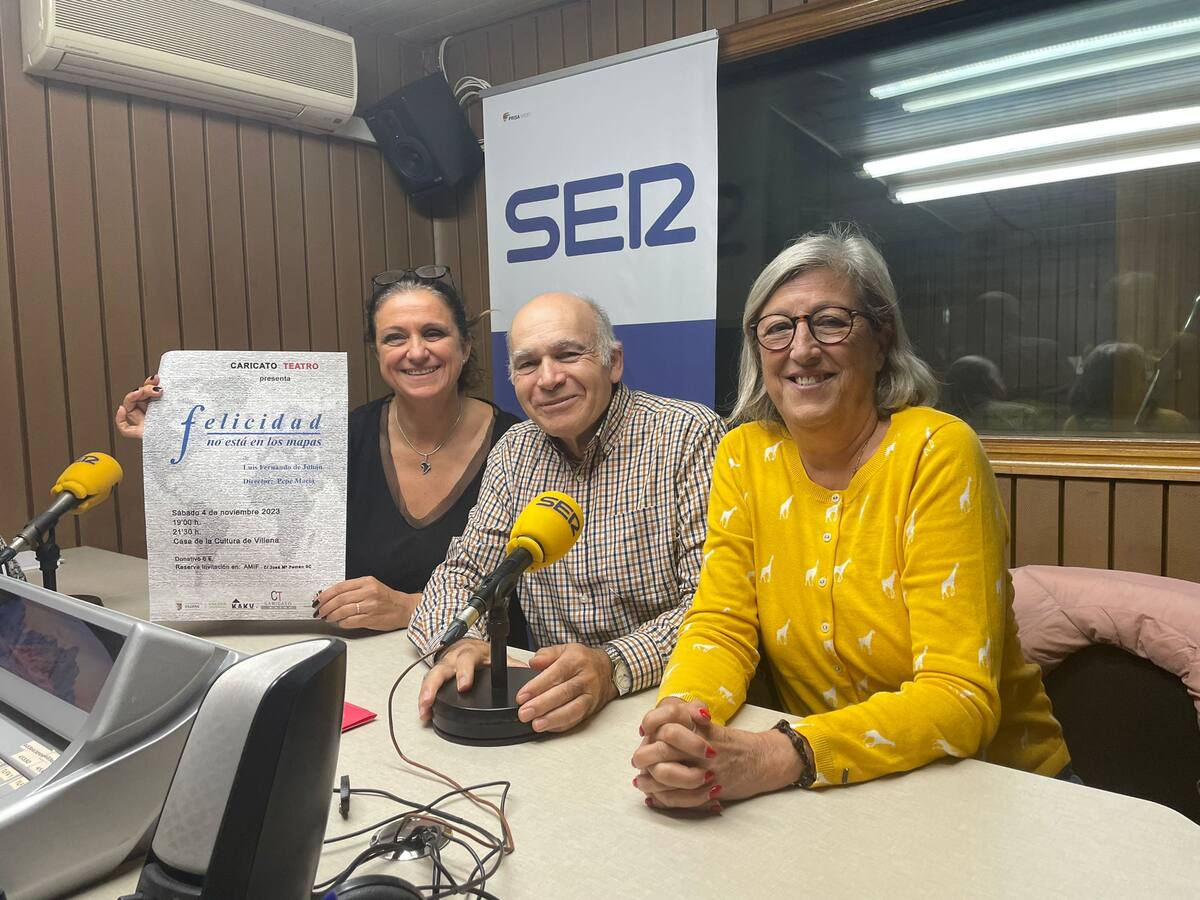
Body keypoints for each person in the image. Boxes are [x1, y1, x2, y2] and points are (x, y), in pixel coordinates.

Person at [633, 226, 1069, 812]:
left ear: (881, 338)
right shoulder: (743, 454)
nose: (802, 349)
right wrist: (683, 720)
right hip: (839, 794)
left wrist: (777, 754)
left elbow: (959, 696)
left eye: (831, 322)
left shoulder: (937, 451)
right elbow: (720, 626)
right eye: (777, 328)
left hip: (1003, 791)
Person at [114, 268, 519, 631]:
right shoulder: (339, 439)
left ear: (466, 346)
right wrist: (177, 438)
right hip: (362, 660)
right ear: (378, 353)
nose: (415, 352)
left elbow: (535, 590)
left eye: (433, 333)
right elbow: (249, 506)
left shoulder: (519, 446)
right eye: (395, 338)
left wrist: (409, 607)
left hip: (487, 665)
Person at [408, 293, 725, 734]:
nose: (549, 379)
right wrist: (459, 644)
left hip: (670, 706)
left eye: (568, 355)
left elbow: (714, 605)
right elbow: (462, 573)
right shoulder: (514, 451)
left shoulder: (687, 435)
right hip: (551, 712)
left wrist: (612, 665)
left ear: (613, 363)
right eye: (528, 364)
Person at [1063, 342, 1192, 434]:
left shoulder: (1172, 423)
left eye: (1145, 375)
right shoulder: (1076, 426)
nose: (1147, 383)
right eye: (1140, 376)